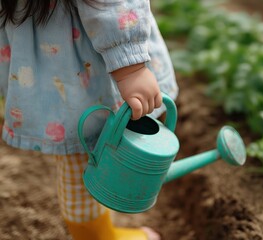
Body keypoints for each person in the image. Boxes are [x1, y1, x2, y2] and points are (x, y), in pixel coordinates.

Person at [0, 0, 178, 239]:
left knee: (82, 154)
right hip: (86, 63)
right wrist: (131, 69)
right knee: (87, 155)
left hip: (44, 59)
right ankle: (100, 237)